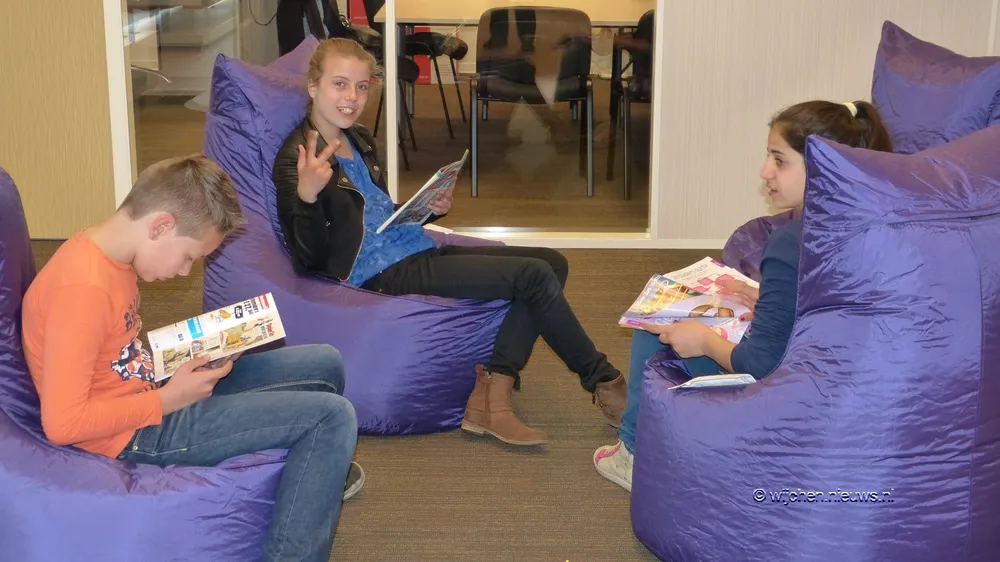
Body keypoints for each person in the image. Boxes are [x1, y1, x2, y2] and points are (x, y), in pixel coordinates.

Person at [272, 38, 627, 447]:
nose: (352, 97)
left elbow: (372, 213)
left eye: (362, 86)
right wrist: (306, 197)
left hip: (411, 244)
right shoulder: (298, 159)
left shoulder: (359, 139)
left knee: (553, 262)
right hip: (380, 270)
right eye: (340, 84)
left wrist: (427, 209)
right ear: (313, 86)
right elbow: (309, 258)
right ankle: (603, 380)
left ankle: (492, 392)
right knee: (532, 276)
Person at [21, 155, 363, 562]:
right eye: (188, 257)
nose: (186, 271)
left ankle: (317, 475)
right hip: (133, 434)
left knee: (325, 363)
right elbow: (63, 425)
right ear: (160, 227)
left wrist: (192, 354)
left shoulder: (114, 256)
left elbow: (114, 356)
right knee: (332, 417)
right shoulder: (83, 291)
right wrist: (169, 399)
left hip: (150, 394)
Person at [593, 99, 895, 491]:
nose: (765, 171)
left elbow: (760, 363)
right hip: (849, 385)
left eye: (780, 161)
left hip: (791, 397)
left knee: (654, 328)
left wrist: (703, 340)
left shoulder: (791, 242)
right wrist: (769, 300)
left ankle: (633, 455)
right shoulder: (873, 222)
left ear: (825, 167)